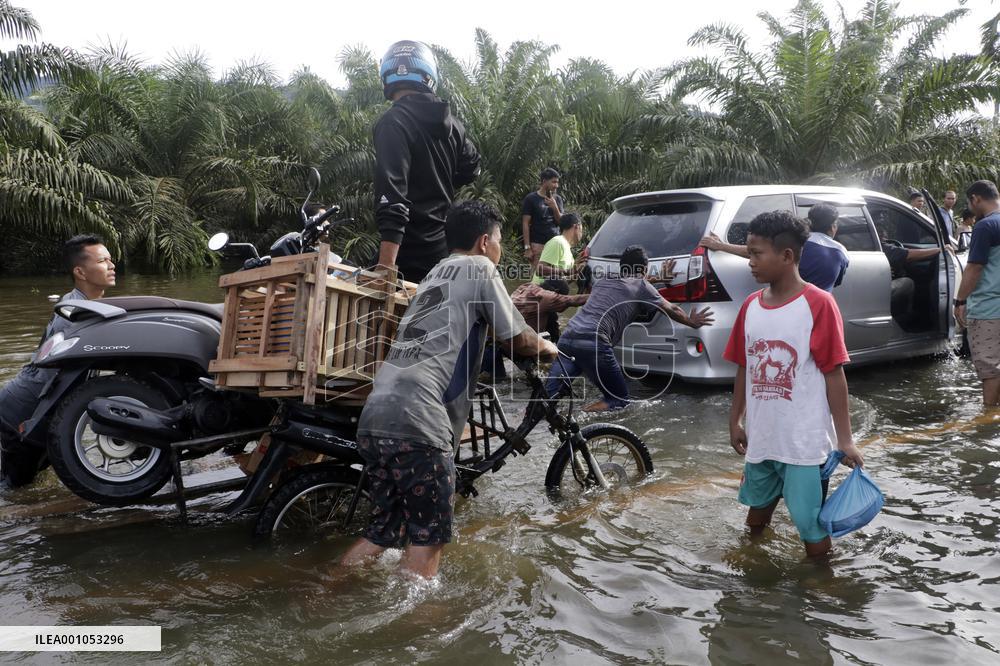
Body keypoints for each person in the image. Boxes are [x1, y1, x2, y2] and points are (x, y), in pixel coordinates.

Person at [341, 201, 558, 578]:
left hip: (377, 415)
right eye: (501, 241)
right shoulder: (480, 267)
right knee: (427, 542)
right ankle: (418, 631)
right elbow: (518, 337)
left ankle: (324, 592)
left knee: (383, 532)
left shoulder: (433, 274)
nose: (500, 249)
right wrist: (547, 347)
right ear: (484, 241)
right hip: (419, 424)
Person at [723, 211, 864, 558]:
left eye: (756, 254)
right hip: (763, 439)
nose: (750, 262)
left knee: (810, 525)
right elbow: (745, 367)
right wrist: (735, 420)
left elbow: (834, 374)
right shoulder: (750, 307)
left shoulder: (818, 304)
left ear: (787, 256)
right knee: (756, 518)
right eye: (749, 253)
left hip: (803, 446)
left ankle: (821, 585)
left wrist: (845, 439)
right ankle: (752, 569)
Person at [0, 235, 116, 486]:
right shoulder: (73, 313)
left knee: (32, 483)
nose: (111, 265)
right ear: (80, 271)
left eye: (110, 259)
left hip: (36, 413)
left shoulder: (89, 307)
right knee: (13, 489)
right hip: (19, 414)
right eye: (103, 260)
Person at [545, 245, 714, 412]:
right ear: (644, 269)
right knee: (618, 400)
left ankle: (525, 429)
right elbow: (672, 309)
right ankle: (583, 421)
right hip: (594, 342)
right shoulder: (642, 285)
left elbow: (627, 286)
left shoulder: (605, 279)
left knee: (547, 399)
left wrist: (657, 278)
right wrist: (692, 321)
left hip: (568, 338)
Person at [372, 40, 481, 283]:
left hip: (406, 257)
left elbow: (392, 198)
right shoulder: (454, 125)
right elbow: (473, 168)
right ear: (429, 74)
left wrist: (386, 266)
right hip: (441, 253)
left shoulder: (393, 122)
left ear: (387, 74)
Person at [699, 204, 849, 293]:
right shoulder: (841, 251)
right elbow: (836, 281)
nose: (753, 261)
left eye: (757, 253)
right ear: (833, 227)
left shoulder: (797, 241)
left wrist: (720, 246)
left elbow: (754, 250)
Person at [954, 180, 1000, 406]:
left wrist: (960, 300)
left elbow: (974, 268)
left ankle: (988, 419)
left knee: (990, 368)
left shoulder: (985, 226)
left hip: (989, 308)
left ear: (976, 199)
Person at [875, 219, 942, 322]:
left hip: (873, 287)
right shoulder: (883, 248)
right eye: (881, 232)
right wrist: (939, 250)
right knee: (908, 282)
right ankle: (907, 316)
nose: (884, 234)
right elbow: (908, 255)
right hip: (879, 288)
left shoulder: (868, 245)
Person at [512, 278, 589, 342]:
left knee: (551, 315)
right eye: (559, 296)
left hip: (506, 332)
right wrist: (598, 294)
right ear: (556, 291)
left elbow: (558, 282)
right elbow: (572, 300)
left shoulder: (527, 286)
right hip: (521, 340)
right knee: (552, 317)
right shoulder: (547, 296)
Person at [521, 168, 564, 270]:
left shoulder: (557, 199)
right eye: (553, 182)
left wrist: (555, 207)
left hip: (555, 246)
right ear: (544, 181)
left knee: (554, 280)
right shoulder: (531, 199)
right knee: (538, 280)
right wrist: (527, 248)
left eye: (557, 182)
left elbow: (561, 223)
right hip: (538, 246)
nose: (556, 185)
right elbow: (525, 223)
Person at [532, 213, 584, 285]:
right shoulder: (558, 242)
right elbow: (540, 270)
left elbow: (561, 281)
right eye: (581, 230)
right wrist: (568, 271)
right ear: (576, 227)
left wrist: (576, 272)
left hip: (552, 292)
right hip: (538, 291)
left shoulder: (569, 252)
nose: (582, 233)